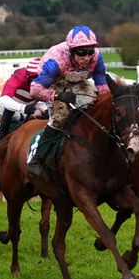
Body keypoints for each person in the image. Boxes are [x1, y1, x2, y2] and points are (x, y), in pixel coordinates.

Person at [26, 25, 109, 176]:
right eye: (81, 52)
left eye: (90, 51)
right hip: (53, 84)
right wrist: (58, 96)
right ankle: (37, 158)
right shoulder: (55, 62)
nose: (86, 57)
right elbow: (35, 90)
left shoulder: (97, 57)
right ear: (71, 51)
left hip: (77, 82)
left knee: (96, 106)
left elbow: (103, 87)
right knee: (61, 116)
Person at [0, 57, 48, 141]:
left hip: (34, 104)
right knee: (10, 112)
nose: (37, 84)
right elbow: (3, 99)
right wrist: (24, 108)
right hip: (14, 105)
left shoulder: (49, 77)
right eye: (34, 79)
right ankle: (1, 141)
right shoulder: (19, 75)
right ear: (28, 75)